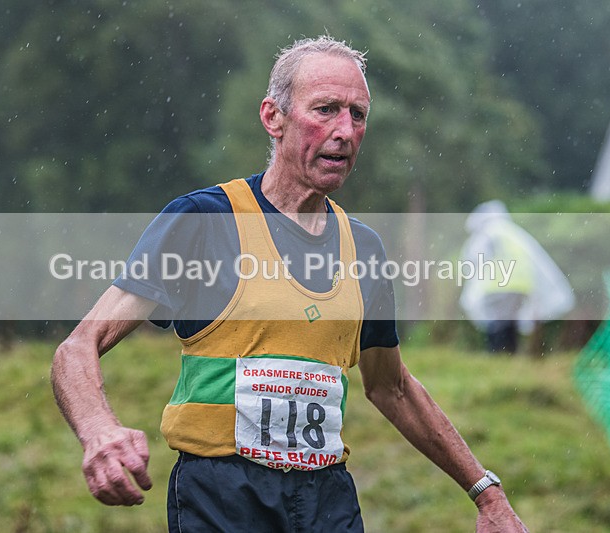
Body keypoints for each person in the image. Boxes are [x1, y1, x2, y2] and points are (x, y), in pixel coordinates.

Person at [52, 36, 527, 532]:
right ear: (273, 117)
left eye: (357, 115)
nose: (345, 131)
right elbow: (77, 348)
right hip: (221, 495)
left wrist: (486, 494)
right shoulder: (203, 221)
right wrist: (99, 431)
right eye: (325, 110)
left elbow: (392, 387)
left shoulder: (363, 249)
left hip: (326, 498)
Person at [459, 200, 575, 354]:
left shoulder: (488, 233)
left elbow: (473, 258)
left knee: (496, 323)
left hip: (497, 285)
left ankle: (497, 355)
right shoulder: (513, 232)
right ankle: (509, 354)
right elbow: (536, 259)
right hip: (521, 286)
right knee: (509, 322)